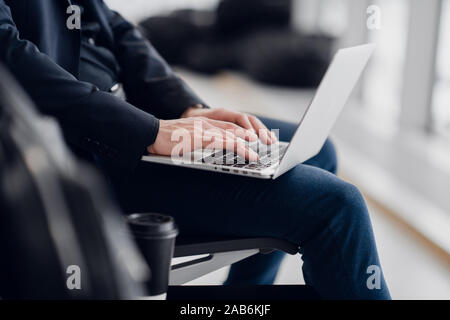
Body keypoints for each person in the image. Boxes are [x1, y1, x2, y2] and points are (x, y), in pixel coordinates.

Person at [0, 0, 390, 299]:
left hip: (126, 109)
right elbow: (8, 56)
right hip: (78, 147)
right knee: (337, 206)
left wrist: (187, 108)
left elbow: (113, 27)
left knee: (315, 150)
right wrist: (149, 132)